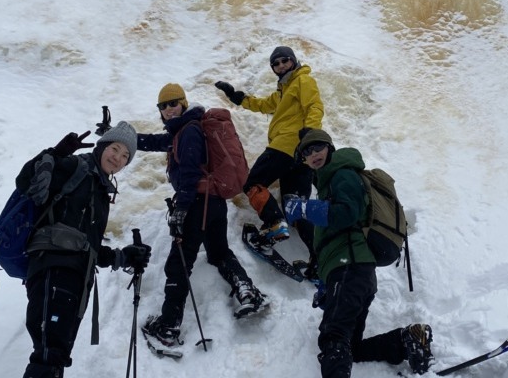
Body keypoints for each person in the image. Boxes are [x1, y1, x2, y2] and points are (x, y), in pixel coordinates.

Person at [283, 129, 434, 377]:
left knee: (333, 337)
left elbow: (346, 213)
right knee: (349, 345)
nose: (313, 155)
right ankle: (407, 340)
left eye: (317, 147)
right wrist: (325, 283)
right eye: (306, 153)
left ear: (330, 148)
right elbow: (331, 243)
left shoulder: (343, 174)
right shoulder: (327, 187)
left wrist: (303, 208)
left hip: (350, 268)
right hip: (354, 272)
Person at [136, 83, 268, 351]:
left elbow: (189, 172)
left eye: (173, 103)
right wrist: (125, 137)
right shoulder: (186, 129)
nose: (168, 109)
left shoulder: (189, 131)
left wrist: (182, 209)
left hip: (197, 205)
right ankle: (246, 290)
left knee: (179, 264)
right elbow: (154, 142)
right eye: (163, 106)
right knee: (219, 253)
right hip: (215, 205)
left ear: (183, 103)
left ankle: (169, 326)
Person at [15, 122, 152, 378]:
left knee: (55, 357)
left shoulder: (99, 189)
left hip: (75, 278)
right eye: (115, 148)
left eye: (125, 156)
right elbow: (25, 182)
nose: (118, 158)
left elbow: (86, 246)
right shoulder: (74, 168)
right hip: (54, 270)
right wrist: (55, 154)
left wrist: (122, 256)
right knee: (48, 355)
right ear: (102, 146)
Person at [214, 45, 323, 262]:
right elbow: (263, 104)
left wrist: (310, 133)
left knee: (253, 182)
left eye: (285, 60)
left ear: (293, 60)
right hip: (300, 157)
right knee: (295, 207)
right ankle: (319, 260)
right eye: (276, 63)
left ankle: (274, 222)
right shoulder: (283, 91)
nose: (281, 65)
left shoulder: (303, 81)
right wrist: (237, 97)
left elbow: (315, 106)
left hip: (286, 145)